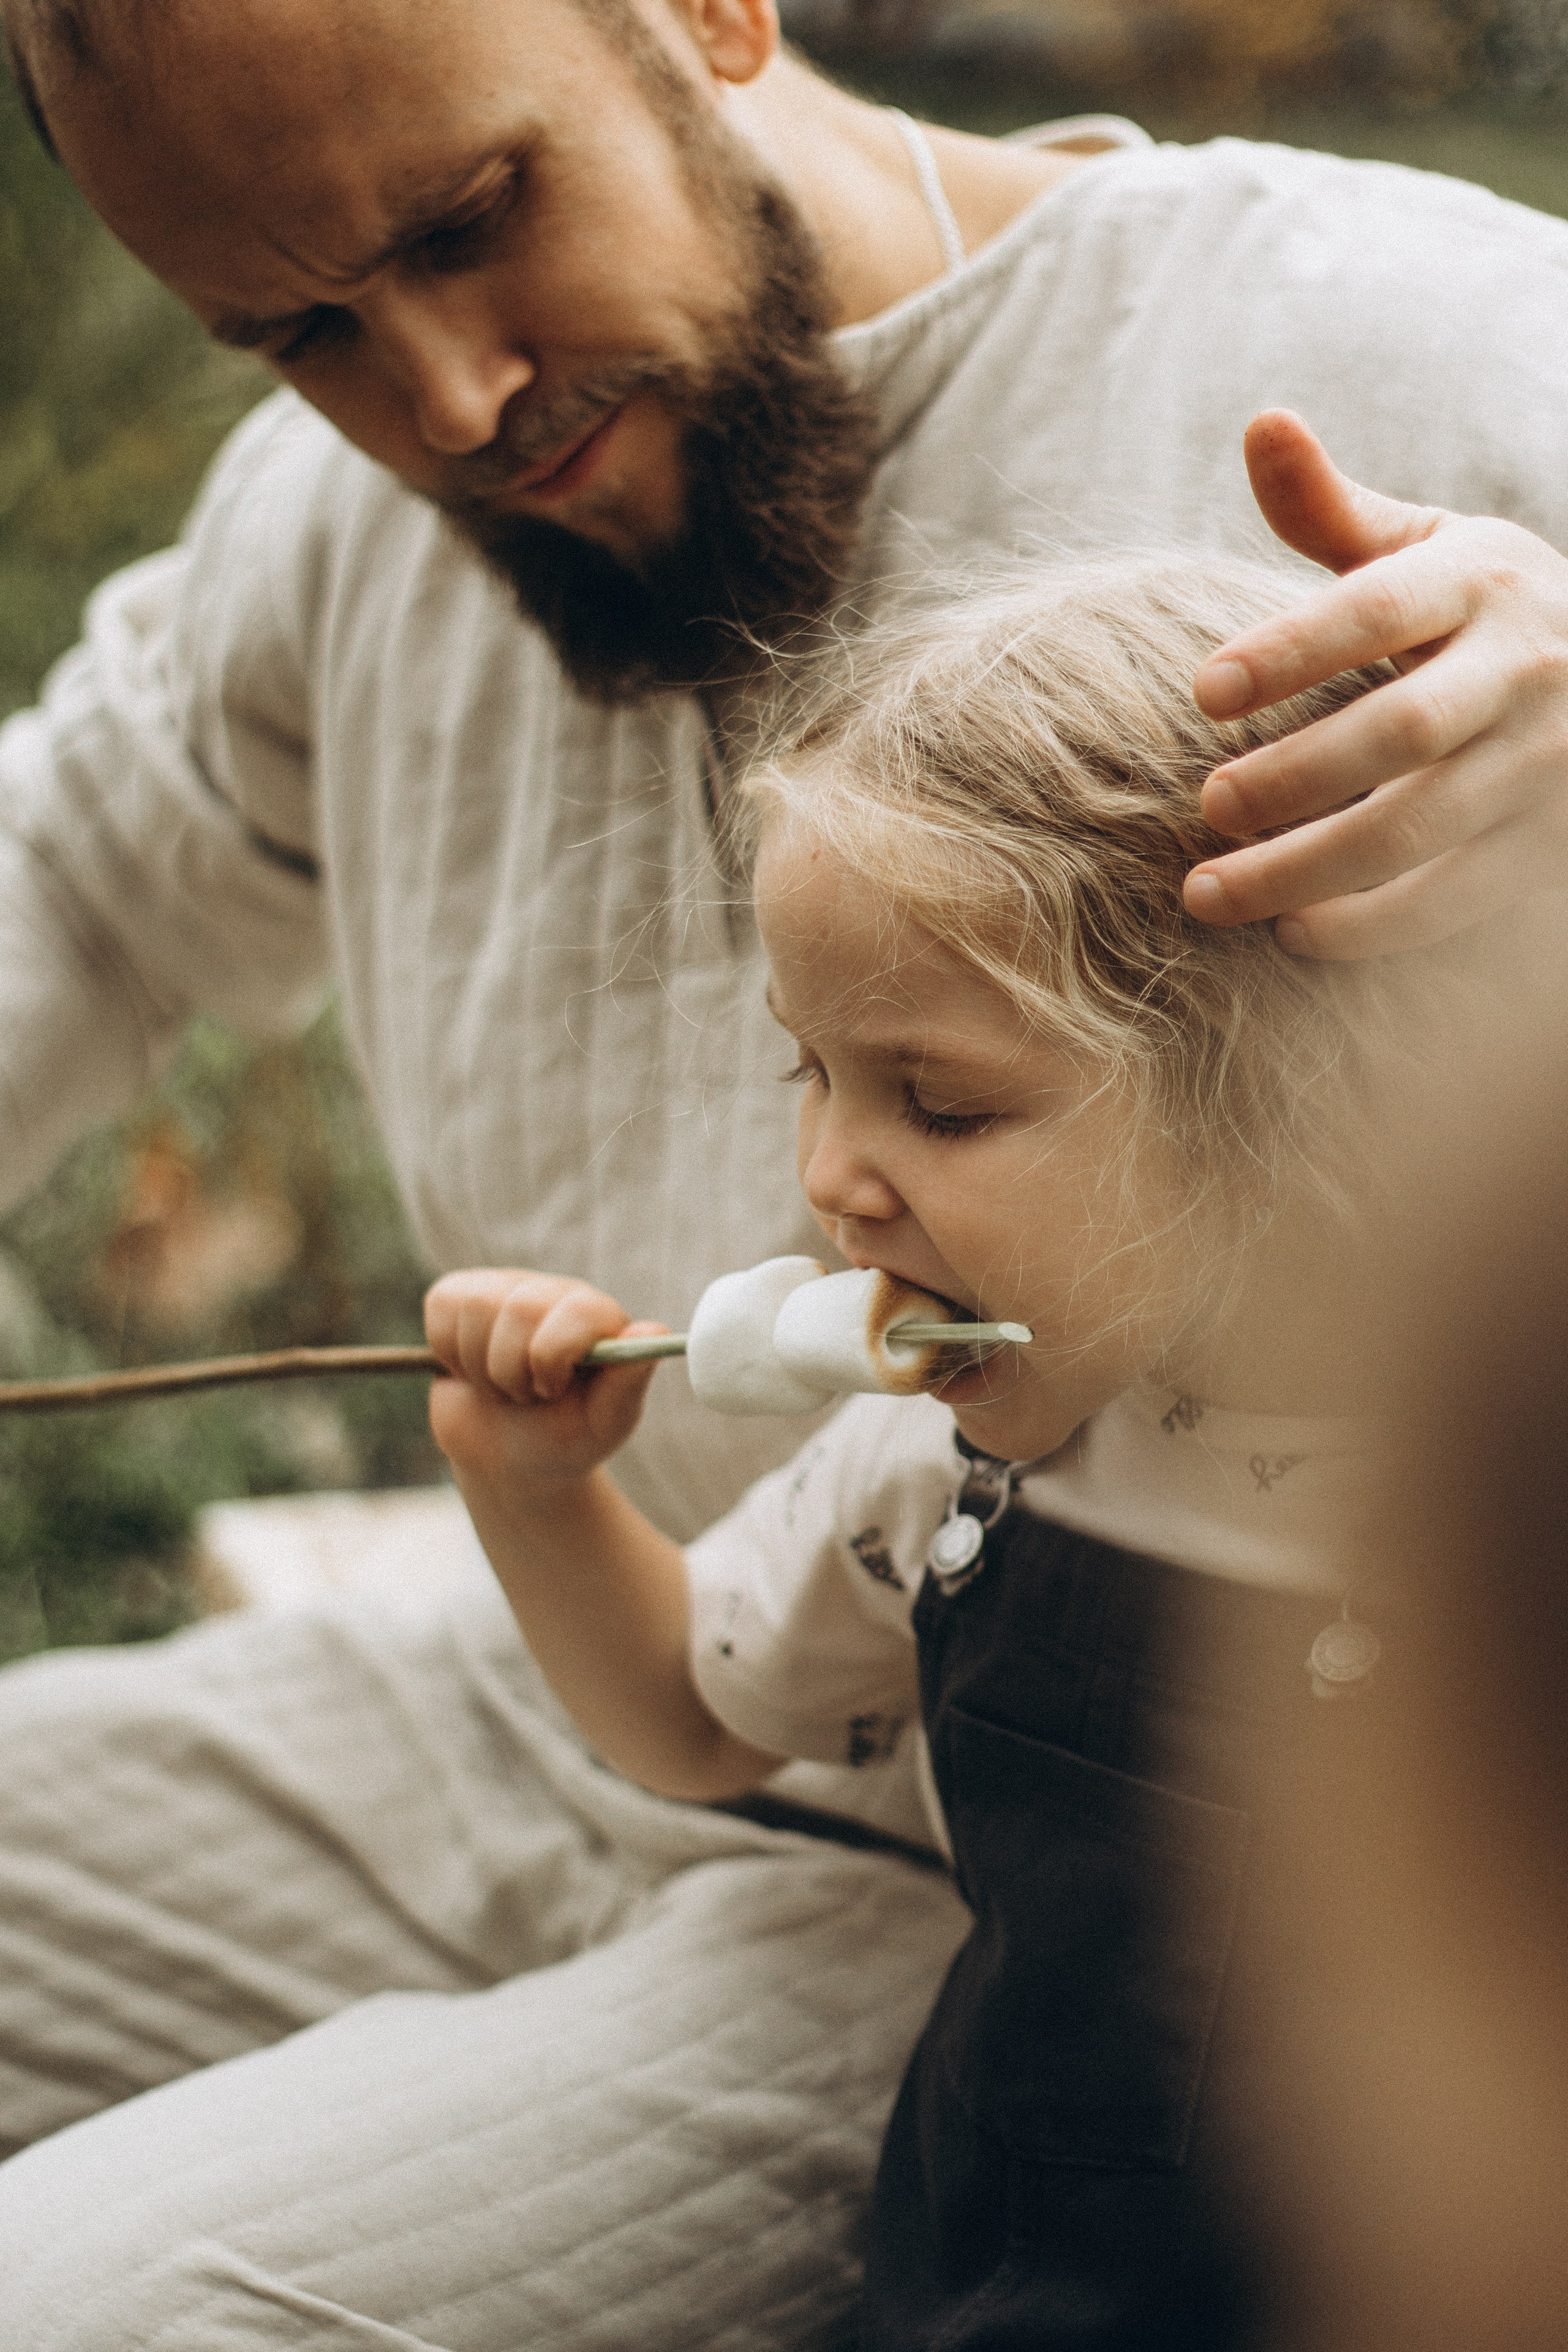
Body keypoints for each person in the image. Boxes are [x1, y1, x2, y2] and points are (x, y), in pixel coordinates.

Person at [2, 0, 1568, 2336]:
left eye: (466, 223)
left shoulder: (1398, 333)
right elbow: (80, 880)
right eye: (298, 329)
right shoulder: (348, 515)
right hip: (574, 1666)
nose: (441, 403)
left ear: (712, 12)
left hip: (1035, 1871)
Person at [417, 551, 1468, 2348]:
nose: (831, 1176)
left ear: (1281, 1090)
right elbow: (688, 1713)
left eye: (943, 1100)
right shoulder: (956, 1470)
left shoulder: (1489, 1494)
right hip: (989, 2293)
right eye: (806, 1072)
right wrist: (535, 1490)